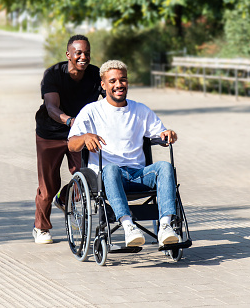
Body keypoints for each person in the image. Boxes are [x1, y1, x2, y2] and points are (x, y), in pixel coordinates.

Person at [67, 60, 180, 247]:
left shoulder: (140, 110)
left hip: (138, 174)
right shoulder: (91, 111)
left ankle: (166, 227)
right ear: (103, 85)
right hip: (109, 176)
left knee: (165, 167)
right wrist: (85, 137)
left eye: (123, 80)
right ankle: (129, 227)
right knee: (110, 170)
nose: (119, 85)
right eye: (112, 81)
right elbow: (71, 144)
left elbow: (160, 134)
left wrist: (168, 134)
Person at [33, 34, 104, 244]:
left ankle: (64, 198)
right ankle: (41, 228)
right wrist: (69, 121)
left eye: (87, 53)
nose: (83, 57)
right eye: (79, 53)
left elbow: (109, 98)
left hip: (79, 134)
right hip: (51, 133)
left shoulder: (95, 74)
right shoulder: (53, 74)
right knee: (48, 186)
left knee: (86, 176)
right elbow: (52, 107)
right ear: (68, 55)